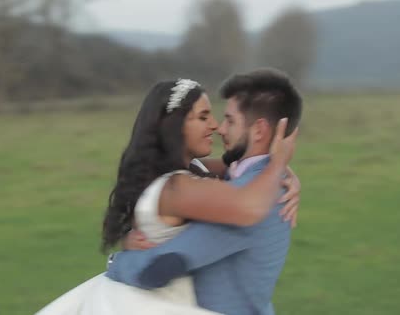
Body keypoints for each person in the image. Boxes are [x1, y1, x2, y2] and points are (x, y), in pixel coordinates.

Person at [36, 75, 300, 315]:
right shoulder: (183, 186)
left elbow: (242, 178)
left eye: (227, 119)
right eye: (204, 116)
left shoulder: (204, 173)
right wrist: (276, 165)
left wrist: (280, 168)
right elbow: (163, 267)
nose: (217, 126)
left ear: (259, 130)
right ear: (175, 126)